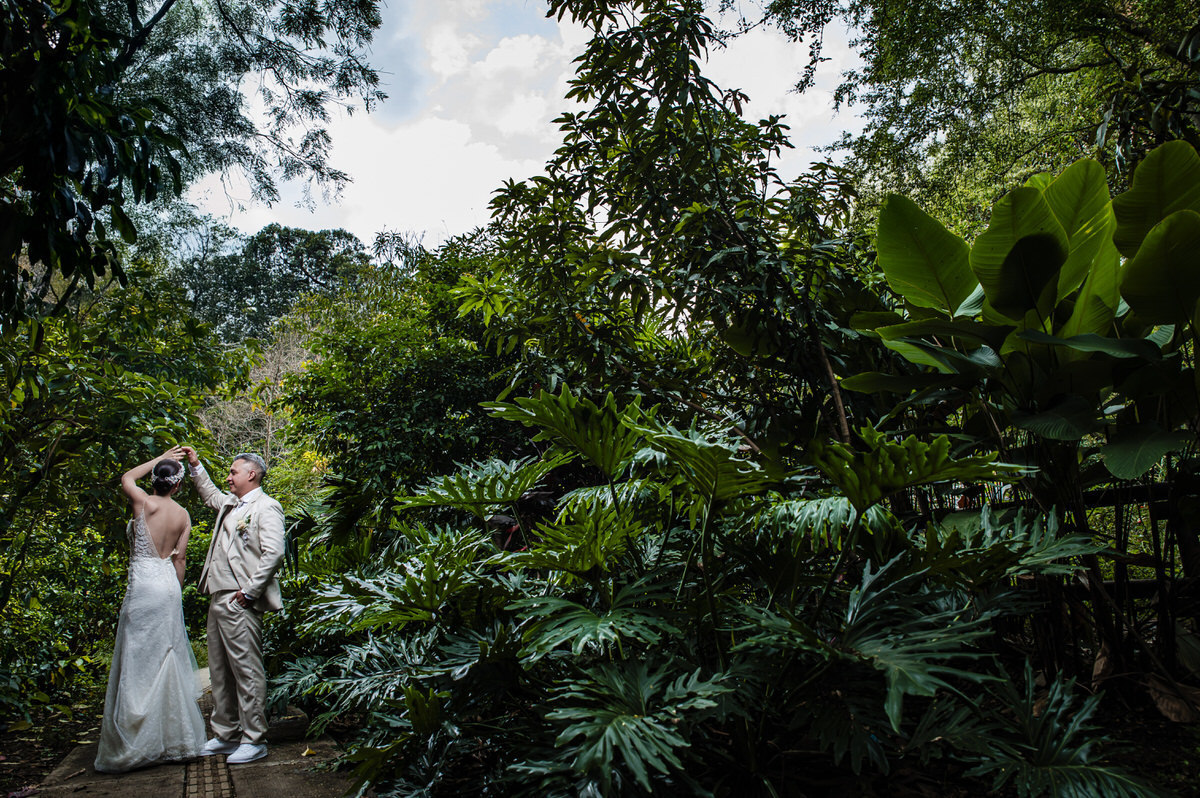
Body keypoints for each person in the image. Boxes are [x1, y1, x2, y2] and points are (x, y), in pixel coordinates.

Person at [95, 447, 206, 773]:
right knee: (165, 658)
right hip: (167, 586)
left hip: (142, 586)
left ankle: (134, 742)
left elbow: (127, 477)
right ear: (177, 485)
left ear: (157, 480)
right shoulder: (183, 515)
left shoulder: (143, 502)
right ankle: (174, 741)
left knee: (137, 660)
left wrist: (159, 458)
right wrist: (176, 592)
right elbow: (180, 560)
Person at [181, 447, 285, 765]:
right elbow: (209, 493)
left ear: (251, 474)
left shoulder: (267, 507)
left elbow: (273, 553)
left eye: (233, 472)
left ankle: (254, 739)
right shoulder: (230, 504)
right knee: (219, 670)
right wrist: (196, 465)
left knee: (247, 670)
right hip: (217, 595)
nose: (228, 477)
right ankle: (225, 735)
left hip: (241, 600)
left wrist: (249, 593)